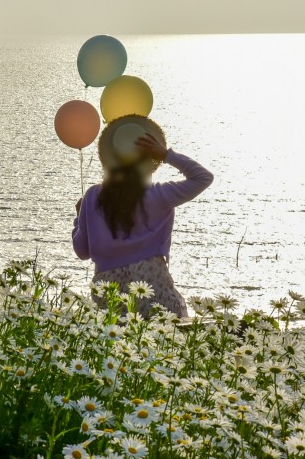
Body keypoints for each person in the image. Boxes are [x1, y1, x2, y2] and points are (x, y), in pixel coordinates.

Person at [72, 115, 213, 318]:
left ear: (109, 160)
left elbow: (82, 251)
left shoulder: (93, 196)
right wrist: (166, 155)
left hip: (108, 291)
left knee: (117, 345)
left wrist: (79, 218)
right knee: (167, 340)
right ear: (149, 161)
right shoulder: (158, 195)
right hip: (151, 282)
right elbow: (203, 177)